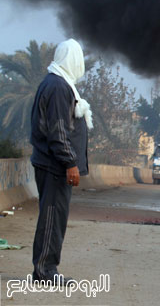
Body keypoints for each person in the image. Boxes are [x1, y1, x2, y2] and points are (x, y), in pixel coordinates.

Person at [30, 39, 93, 284]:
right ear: (74, 61)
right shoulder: (58, 87)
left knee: (53, 217)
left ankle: (45, 269)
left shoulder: (57, 82)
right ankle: (45, 272)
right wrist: (70, 163)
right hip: (54, 165)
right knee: (52, 218)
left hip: (50, 163)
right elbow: (58, 131)